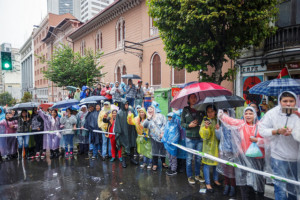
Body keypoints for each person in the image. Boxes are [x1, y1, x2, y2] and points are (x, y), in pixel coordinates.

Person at [259, 91, 300, 200]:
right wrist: (277, 131)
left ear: (295, 102)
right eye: (285, 101)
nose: (288, 104)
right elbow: (262, 130)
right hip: (278, 157)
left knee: (294, 188)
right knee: (280, 187)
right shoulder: (272, 113)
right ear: (279, 102)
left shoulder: (299, 113)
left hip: (296, 158)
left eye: (291, 101)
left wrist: (294, 132)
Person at [219, 107, 265, 200]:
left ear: (255, 115)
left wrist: (258, 140)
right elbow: (230, 121)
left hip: (258, 158)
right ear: (243, 115)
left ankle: (258, 196)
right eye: (246, 113)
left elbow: (268, 140)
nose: (248, 115)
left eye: (250, 113)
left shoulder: (260, 126)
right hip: (244, 157)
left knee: (259, 180)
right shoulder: (241, 124)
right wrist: (221, 115)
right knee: (244, 180)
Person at [181, 93, 205, 184]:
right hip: (189, 138)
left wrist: (201, 124)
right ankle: (190, 176)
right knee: (189, 158)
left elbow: (205, 120)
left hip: (199, 137)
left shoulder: (201, 109)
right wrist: (189, 125)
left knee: (198, 158)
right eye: (192, 97)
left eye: (195, 97)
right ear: (188, 99)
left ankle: (197, 175)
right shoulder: (185, 110)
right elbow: (182, 123)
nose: (194, 99)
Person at [199, 105, 221, 193]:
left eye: (212, 111)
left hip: (216, 147)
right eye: (208, 112)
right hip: (207, 147)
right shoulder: (205, 121)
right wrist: (206, 128)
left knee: (216, 164)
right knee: (207, 165)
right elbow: (203, 136)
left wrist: (218, 130)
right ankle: (208, 183)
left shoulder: (218, 120)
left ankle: (216, 179)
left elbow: (220, 136)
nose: (210, 113)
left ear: (215, 111)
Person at [215, 109, 236, 197]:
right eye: (223, 112)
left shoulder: (234, 125)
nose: (224, 114)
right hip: (223, 151)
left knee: (232, 171)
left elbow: (237, 140)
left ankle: (233, 187)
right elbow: (219, 137)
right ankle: (227, 185)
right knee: (225, 170)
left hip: (231, 152)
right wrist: (218, 130)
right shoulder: (222, 125)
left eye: (226, 112)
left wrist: (236, 152)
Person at [114, 100, 138, 168]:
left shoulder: (131, 110)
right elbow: (117, 124)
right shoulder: (119, 113)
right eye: (125, 104)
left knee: (132, 146)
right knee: (124, 147)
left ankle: (132, 159)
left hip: (131, 132)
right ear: (122, 105)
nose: (126, 106)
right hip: (123, 133)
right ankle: (123, 161)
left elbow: (136, 119)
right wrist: (118, 132)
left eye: (127, 104)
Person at [143, 104, 167, 171]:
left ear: (154, 109)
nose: (150, 110)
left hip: (162, 137)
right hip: (153, 137)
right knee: (154, 151)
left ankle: (163, 162)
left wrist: (162, 133)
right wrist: (148, 118)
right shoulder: (148, 118)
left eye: (151, 109)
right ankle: (155, 164)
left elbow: (164, 124)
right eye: (148, 109)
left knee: (163, 150)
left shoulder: (161, 116)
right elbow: (144, 125)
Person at [173, 109, 186, 173]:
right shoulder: (176, 117)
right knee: (180, 152)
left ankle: (181, 167)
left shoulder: (177, 117)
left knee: (182, 153)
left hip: (182, 138)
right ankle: (181, 167)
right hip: (179, 138)